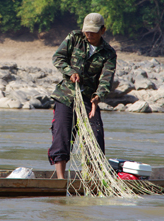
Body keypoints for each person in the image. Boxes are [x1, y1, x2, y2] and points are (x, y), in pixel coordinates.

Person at [48, 13, 117, 179]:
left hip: (88, 99)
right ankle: (60, 179)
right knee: (62, 135)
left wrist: (98, 97)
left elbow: (106, 80)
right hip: (66, 96)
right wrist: (70, 72)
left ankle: (92, 177)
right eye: (87, 31)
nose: (89, 34)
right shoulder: (74, 38)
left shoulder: (109, 53)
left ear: (103, 30)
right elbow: (58, 58)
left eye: (93, 31)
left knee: (95, 135)